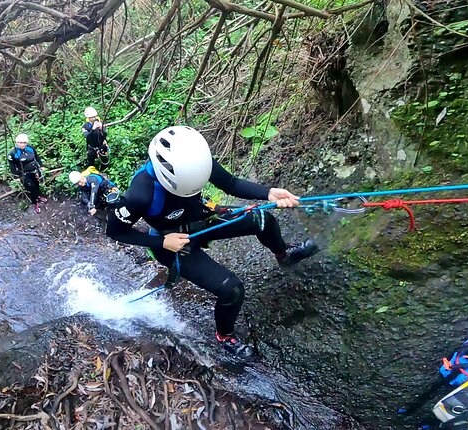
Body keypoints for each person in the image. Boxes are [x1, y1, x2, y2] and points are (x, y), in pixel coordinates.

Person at [106, 126, 318, 358]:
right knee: (231, 289)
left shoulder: (195, 161)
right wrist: (162, 242)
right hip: (172, 243)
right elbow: (116, 231)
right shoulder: (141, 194)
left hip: (202, 218)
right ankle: (225, 336)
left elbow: (231, 183)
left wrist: (268, 193)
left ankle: (284, 255)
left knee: (262, 219)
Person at [7, 133, 47, 213]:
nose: (23, 144)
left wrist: (41, 165)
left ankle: (38, 196)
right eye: (20, 143)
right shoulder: (13, 153)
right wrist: (16, 177)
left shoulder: (30, 148)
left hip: (34, 170)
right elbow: (12, 166)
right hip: (24, 174)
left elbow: (36, 156)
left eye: (24, 143)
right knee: (31, 187)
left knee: (37, 184)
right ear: (17, 143)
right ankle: (35, 203)